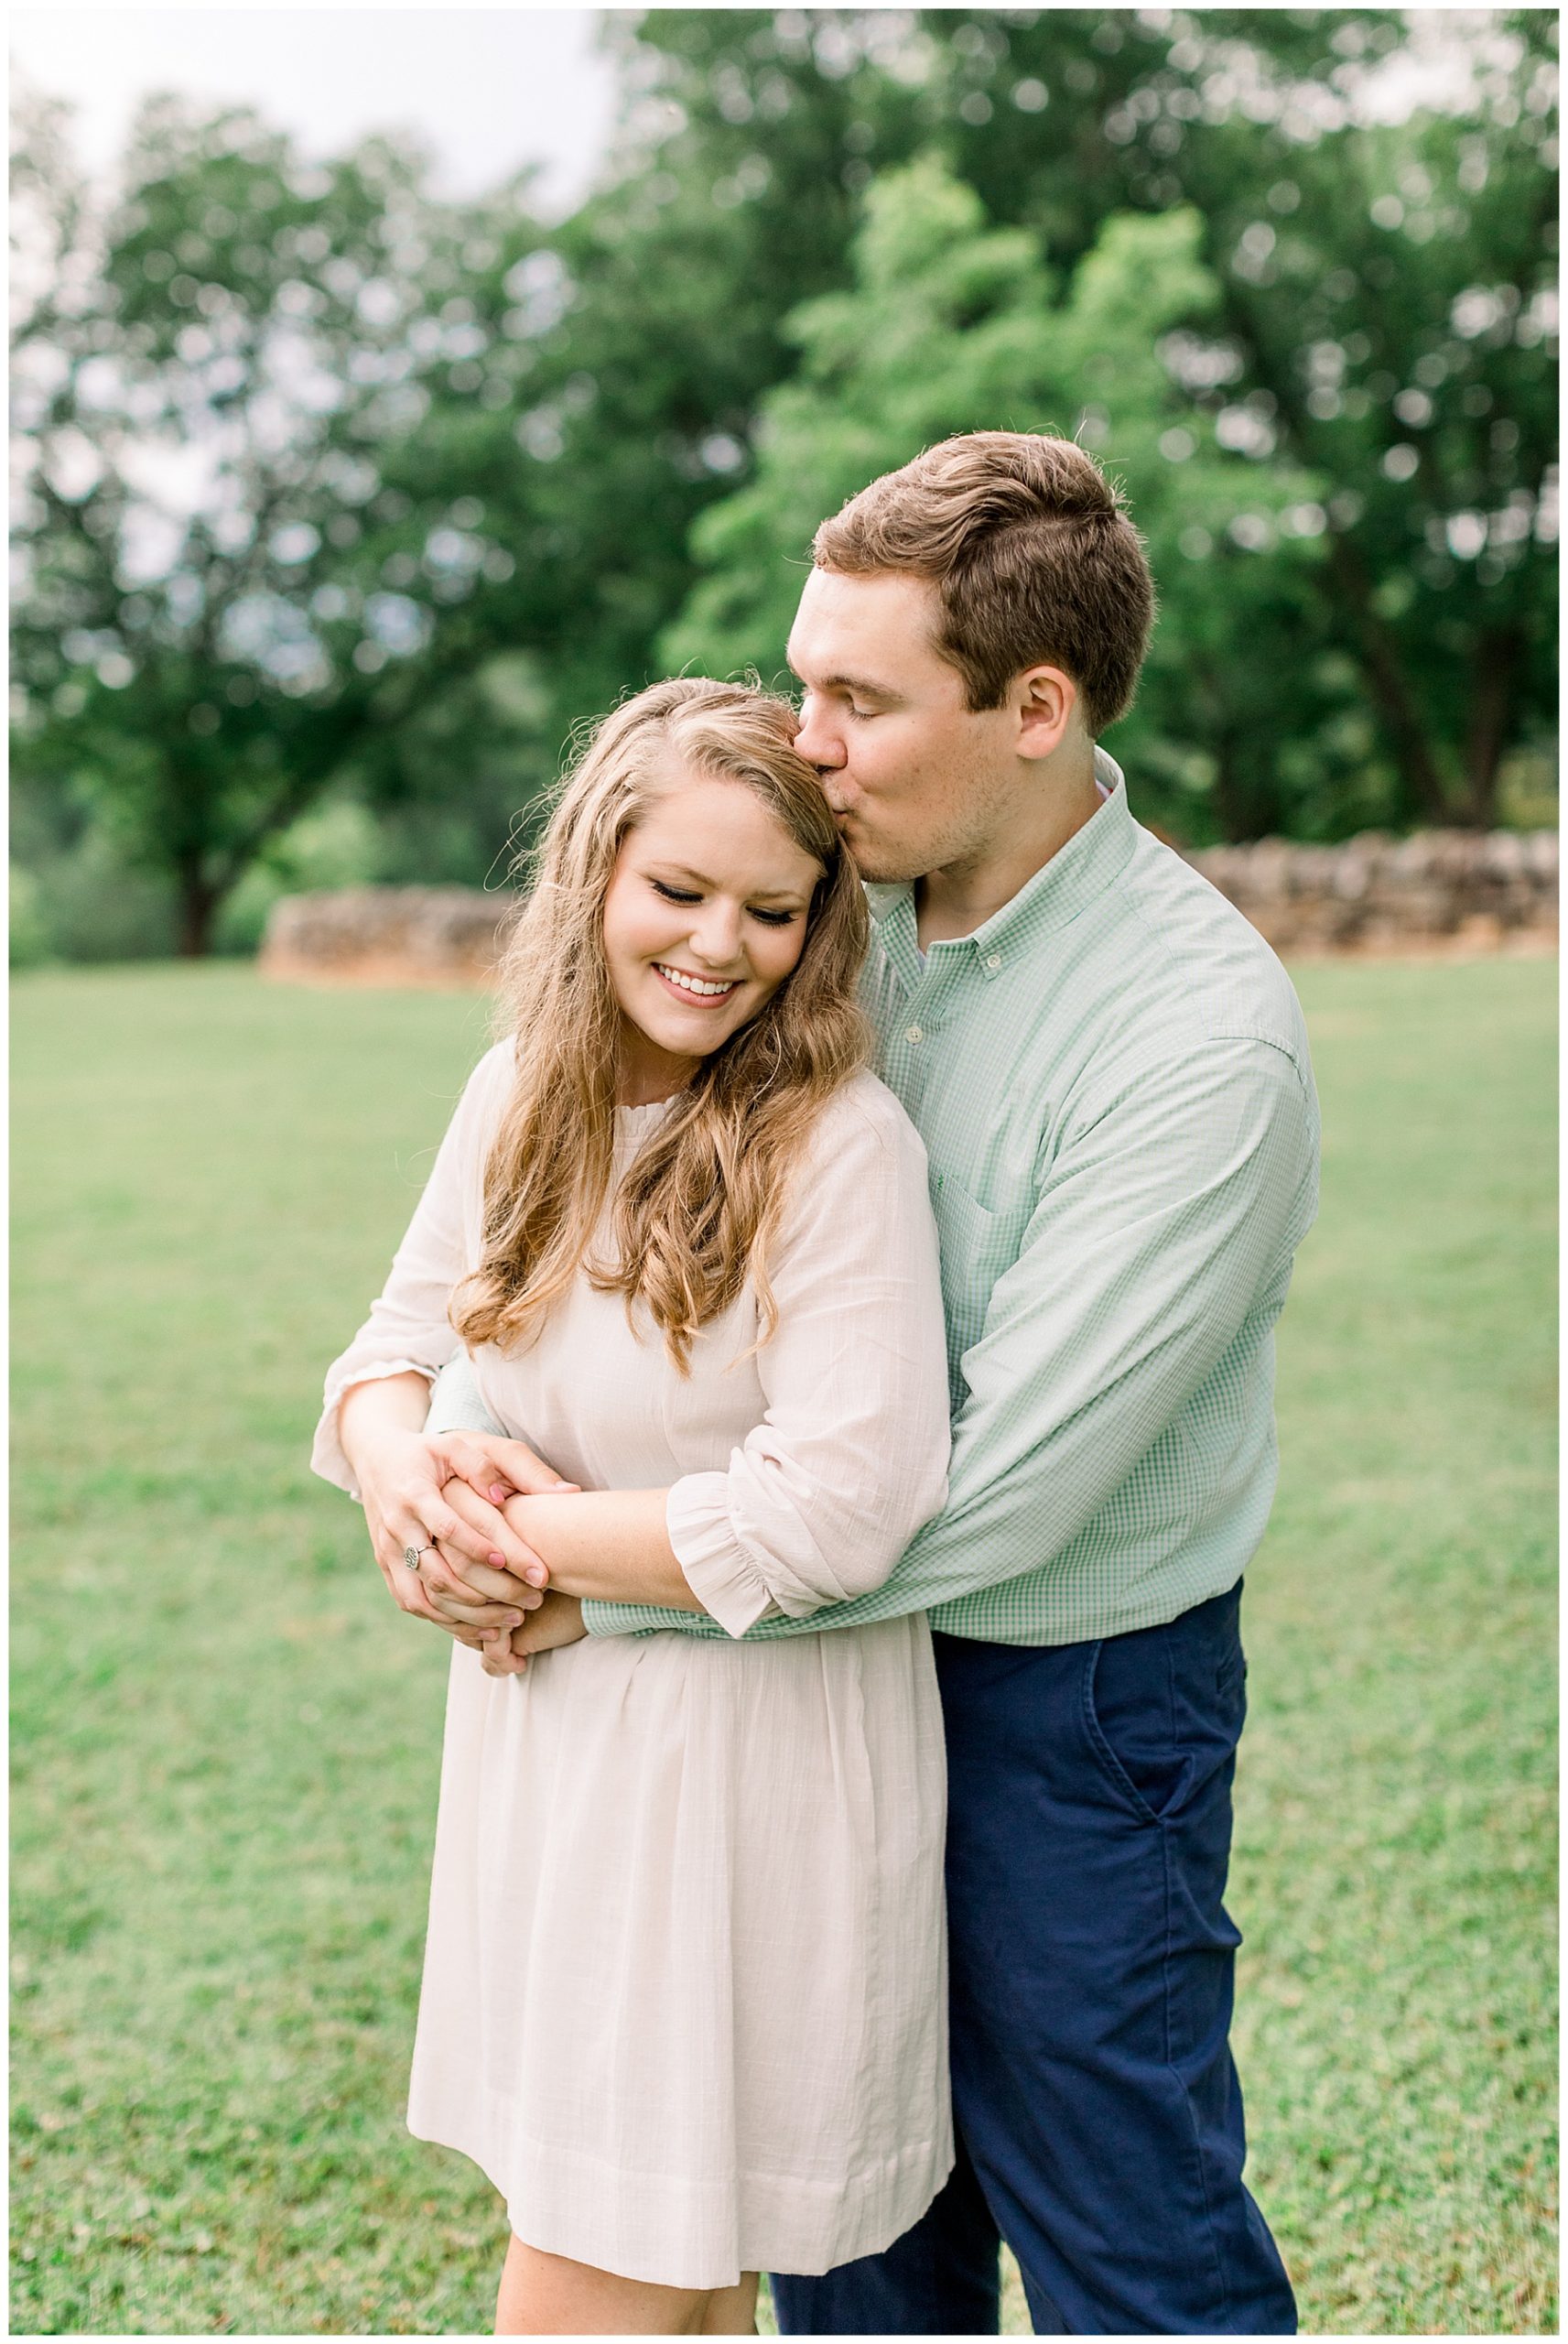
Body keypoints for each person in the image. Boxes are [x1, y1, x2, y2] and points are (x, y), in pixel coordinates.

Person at [440, 433, 1320, 2335]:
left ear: (1032, 705)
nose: (804, 736)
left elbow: (983, 1496)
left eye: (854, 695)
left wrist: (561, 1572)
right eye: (800, 677)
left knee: (1118, 2232)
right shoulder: (820, 919)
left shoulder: (1196, 1041)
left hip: (1060, 1702)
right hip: (799, 1690)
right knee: (849, 2235)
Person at [311, 679, 956, 2337]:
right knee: (671, 2287)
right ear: (593, 870)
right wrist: (407, 1491)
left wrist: (527, 1552)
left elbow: (838, 1508)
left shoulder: (836, 1143)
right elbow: (393, 1348)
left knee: (602, 2283)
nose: (718, 946)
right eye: (679, 891)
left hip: (738, 1787)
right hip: (557, 1766)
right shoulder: (519, 1087)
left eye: (770, 909)